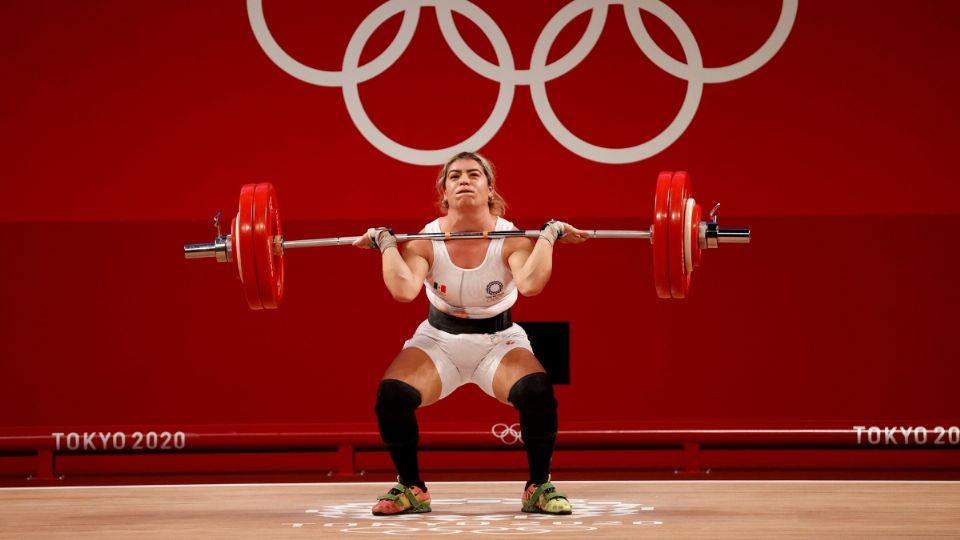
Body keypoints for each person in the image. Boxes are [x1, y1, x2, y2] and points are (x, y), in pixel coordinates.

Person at [353, 151, 588, 516]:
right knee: (392, 396)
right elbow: (402, 291)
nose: (464, 180)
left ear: (489, 188)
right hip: (438, 340)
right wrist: (385, 242)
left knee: (537, 390)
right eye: (455, 176)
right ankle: (411, 487)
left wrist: (549, 234)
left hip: (499, 341)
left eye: (474, 175)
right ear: (444, 192)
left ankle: (538, 486)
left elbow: (531, 284)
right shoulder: (424, 242)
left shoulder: (511, 240)